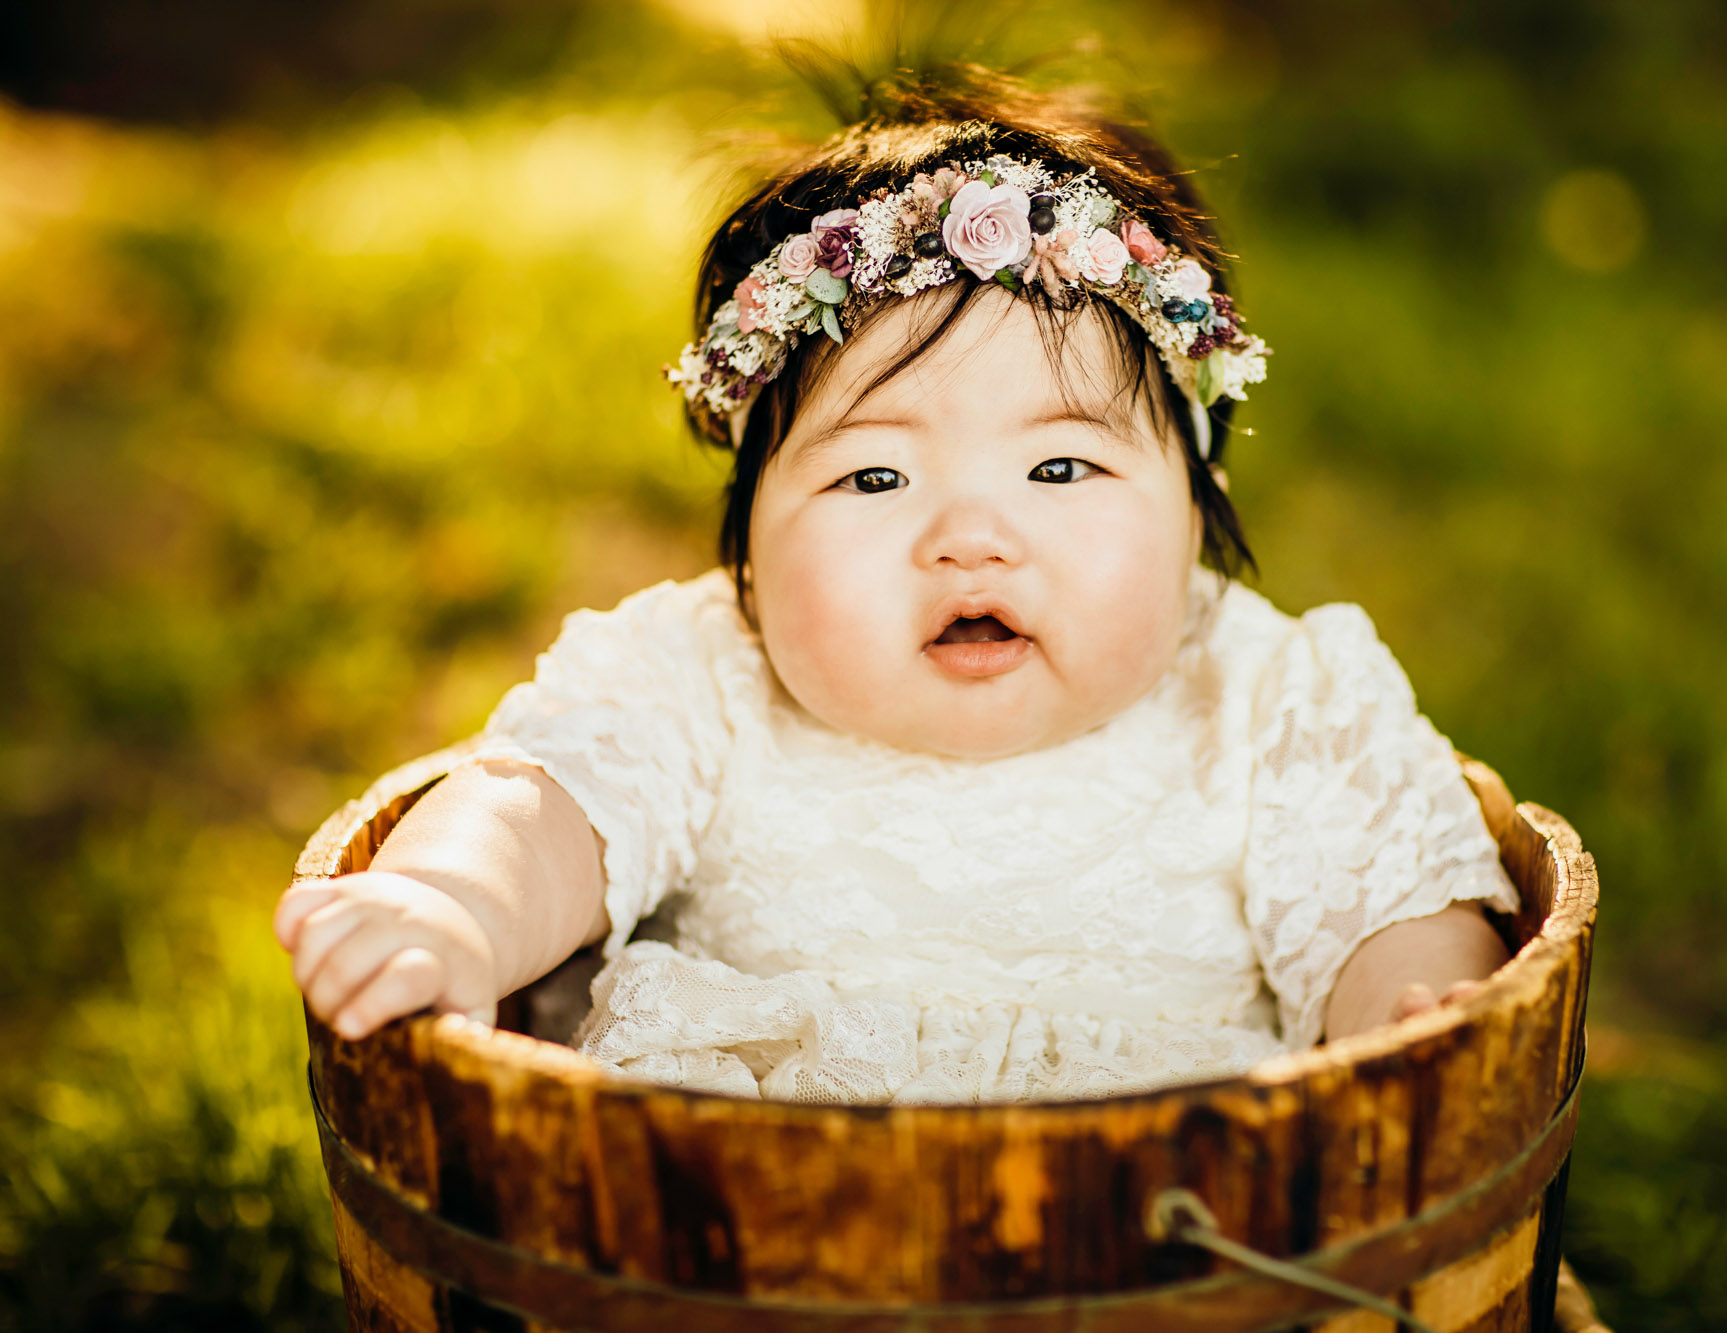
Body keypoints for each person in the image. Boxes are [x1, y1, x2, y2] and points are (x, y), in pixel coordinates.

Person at [272, 67, 1516, 1105]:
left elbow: (1388, 902)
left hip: (1172, 1242)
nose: (970, 537)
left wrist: (1420, 1017)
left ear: (1191, 503)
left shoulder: (1267, 696)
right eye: (873, 479)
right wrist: (446, 907)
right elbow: (541, 810)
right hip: (739, 1244)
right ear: (749, 540)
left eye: (1059, 463)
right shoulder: (700, 675)